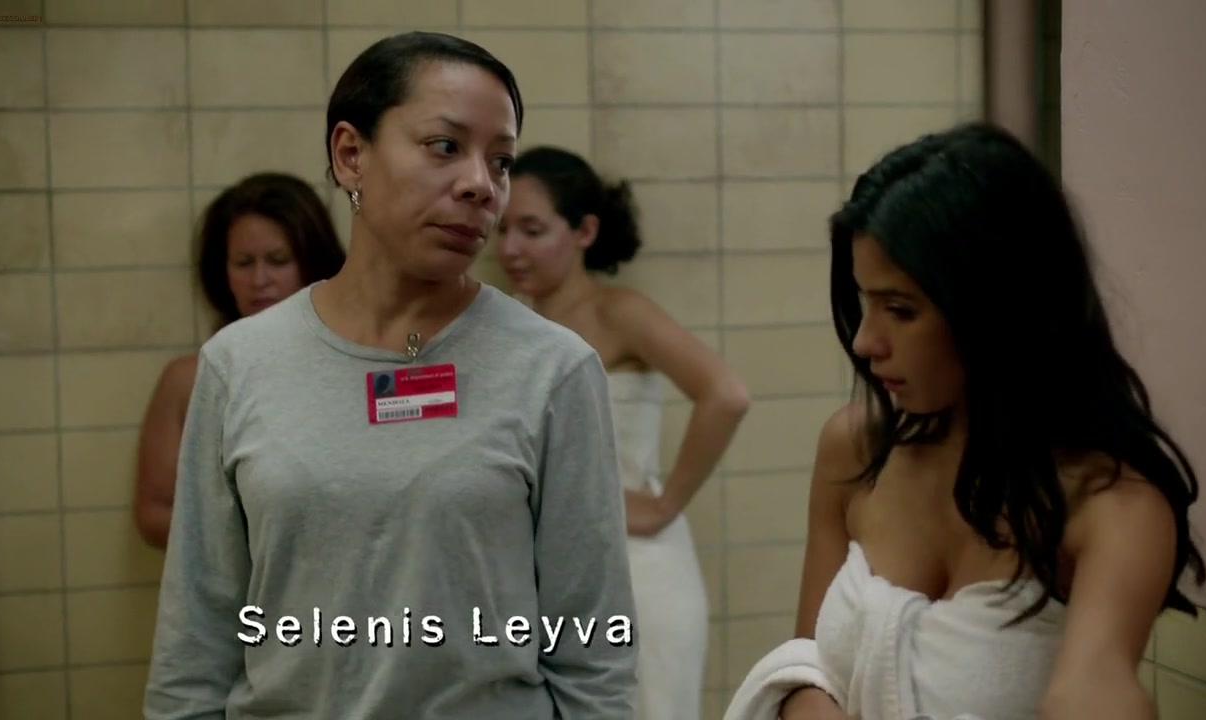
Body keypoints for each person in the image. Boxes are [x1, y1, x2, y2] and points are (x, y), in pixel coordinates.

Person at [143, 32, 639, 719]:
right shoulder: (239, 363)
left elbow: (594, 653)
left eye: (500, 161)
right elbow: (196, 643)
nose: (480, 184)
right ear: (351, 154)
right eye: (445, 146)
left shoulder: (553, 368)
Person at [726, 121, 1206, 720]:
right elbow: (808, 664)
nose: (866, 341)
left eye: (900, 310)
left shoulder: (1109, 503)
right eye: (865, 301)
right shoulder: (855, 449)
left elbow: (1095, 688)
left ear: (998, 309)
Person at [497, 145, 751, 720]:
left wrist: (663, 505)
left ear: (584, 231)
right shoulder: (508, 323)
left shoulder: (617, 313)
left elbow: (726, 394)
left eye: (532, 230)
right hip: (544, 573)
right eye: (503, 229)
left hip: (639, 572)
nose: (509, 248)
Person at [133, 171, 346, 549]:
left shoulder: (350, 369)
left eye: (278, 260)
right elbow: (153, 515)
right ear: (223, 273)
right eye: (244, 263)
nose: (260, 279)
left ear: (312, 264)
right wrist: (263, 526)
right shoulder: (190, 379)